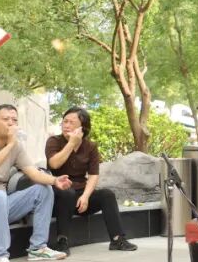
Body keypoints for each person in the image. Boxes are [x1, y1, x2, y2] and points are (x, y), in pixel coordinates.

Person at [0, 104, 70, 262]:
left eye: (14, 120)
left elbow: (33, 172)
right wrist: (10, 145)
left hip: (0, 207)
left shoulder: (16, 147)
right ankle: (1, 257)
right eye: (5, 119)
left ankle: (38, 248)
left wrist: (54, 180)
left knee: (43, 189)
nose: (11, 123)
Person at [43, 107, 137, 253]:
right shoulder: (54, 141)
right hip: (58, 195)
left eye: (71, 123)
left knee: (107, 195)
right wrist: (71, 144)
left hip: (80, 196)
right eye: (65, 121)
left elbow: (93, 175)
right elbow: (54, 164)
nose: (66, 125)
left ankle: (118, 239)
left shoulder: (90, 146)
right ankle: (62, 241)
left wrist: (86, 196)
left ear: (83, 127)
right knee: (67, 193)